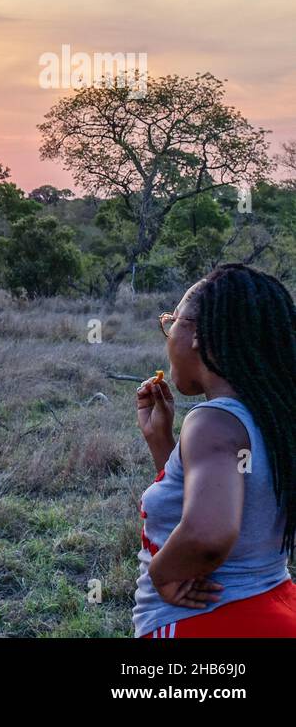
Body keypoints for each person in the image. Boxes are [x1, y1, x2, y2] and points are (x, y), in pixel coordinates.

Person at [134, 263, 296, 637]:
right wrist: (162, 443)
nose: (168, 332)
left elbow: (209, 533)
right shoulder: (272, 418)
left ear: (198, 335)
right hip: (275, 605)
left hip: (212, 620)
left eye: (172, 321)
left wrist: (162, 574)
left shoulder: (211, 422)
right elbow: (229, 497)